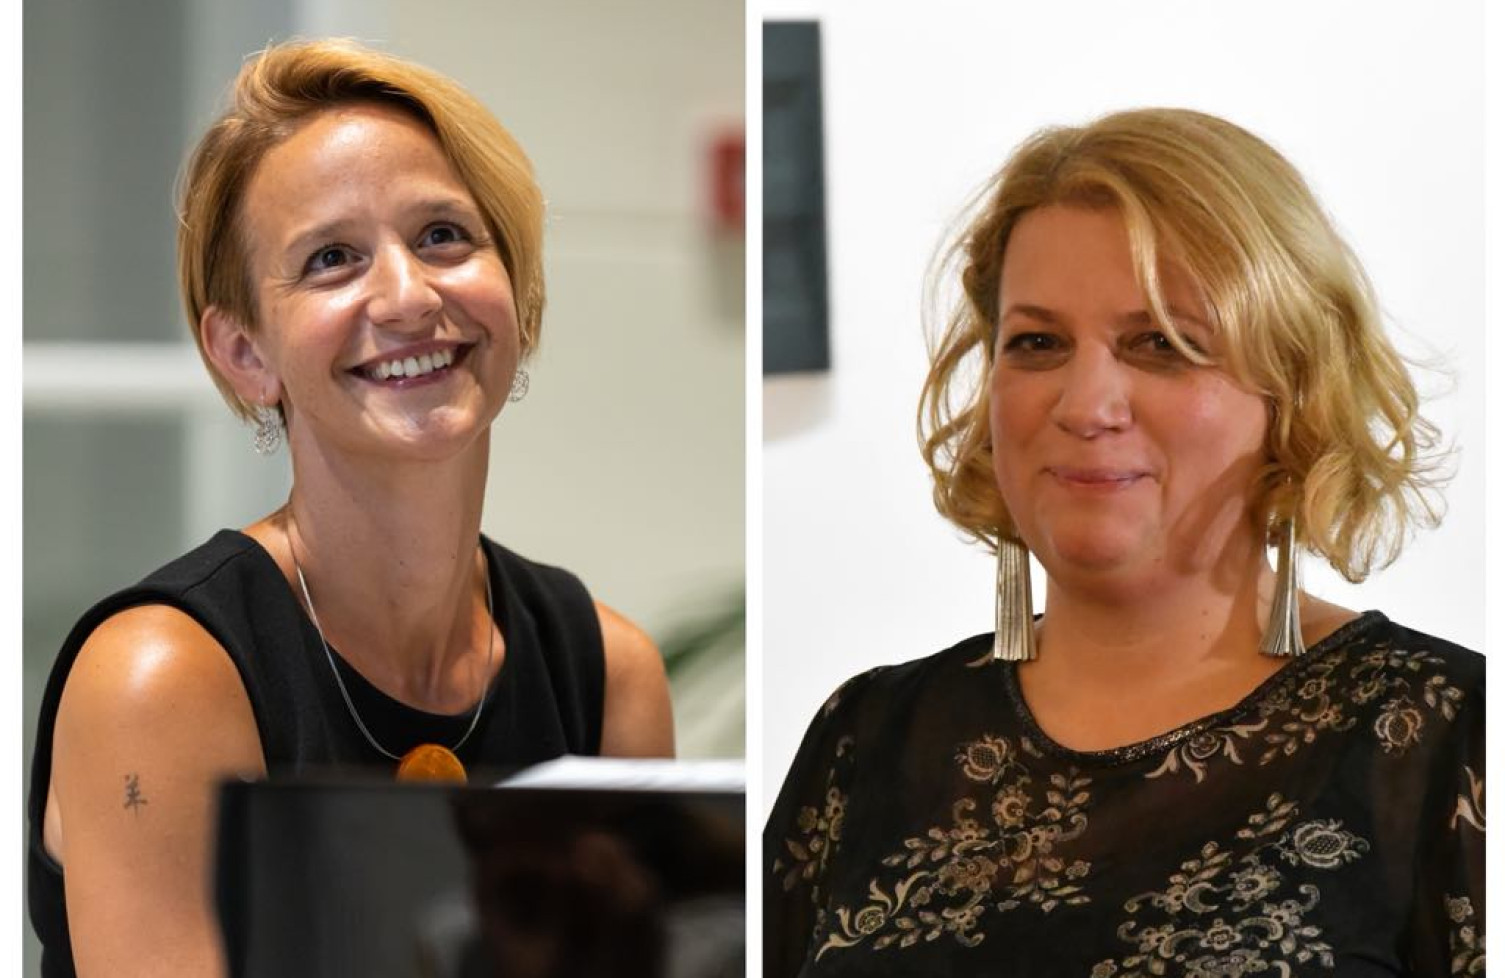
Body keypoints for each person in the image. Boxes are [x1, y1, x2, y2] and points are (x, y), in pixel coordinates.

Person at [765, 108, 1483, 976]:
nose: (1085, 405)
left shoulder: (1444, 730)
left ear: (1293, 389)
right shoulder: (867, 738)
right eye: (1036, 343)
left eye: (1160, 344)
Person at [27, 39, 675, 978]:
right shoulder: (159, 677)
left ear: (520, 293)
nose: (408, 296)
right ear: (245, 353)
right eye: (332, 259)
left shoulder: (608, 674)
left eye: (443, 235)